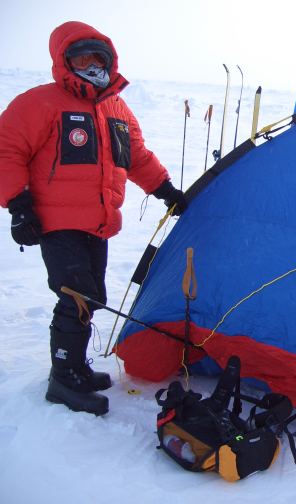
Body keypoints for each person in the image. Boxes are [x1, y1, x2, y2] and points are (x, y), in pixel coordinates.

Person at [0, 21, 187, 416]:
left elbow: (136, 156)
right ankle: (63, 379)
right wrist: (18, 205)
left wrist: (165, 190)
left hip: (98, 222)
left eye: (97, 57)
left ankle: (75, 368)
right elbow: (7, 150)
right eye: (81, 57)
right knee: (76, 295)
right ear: (64, 61)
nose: (91, 65)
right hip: (54, 222)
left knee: (92, 296)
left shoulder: (117, 109)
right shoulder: (39, 103)